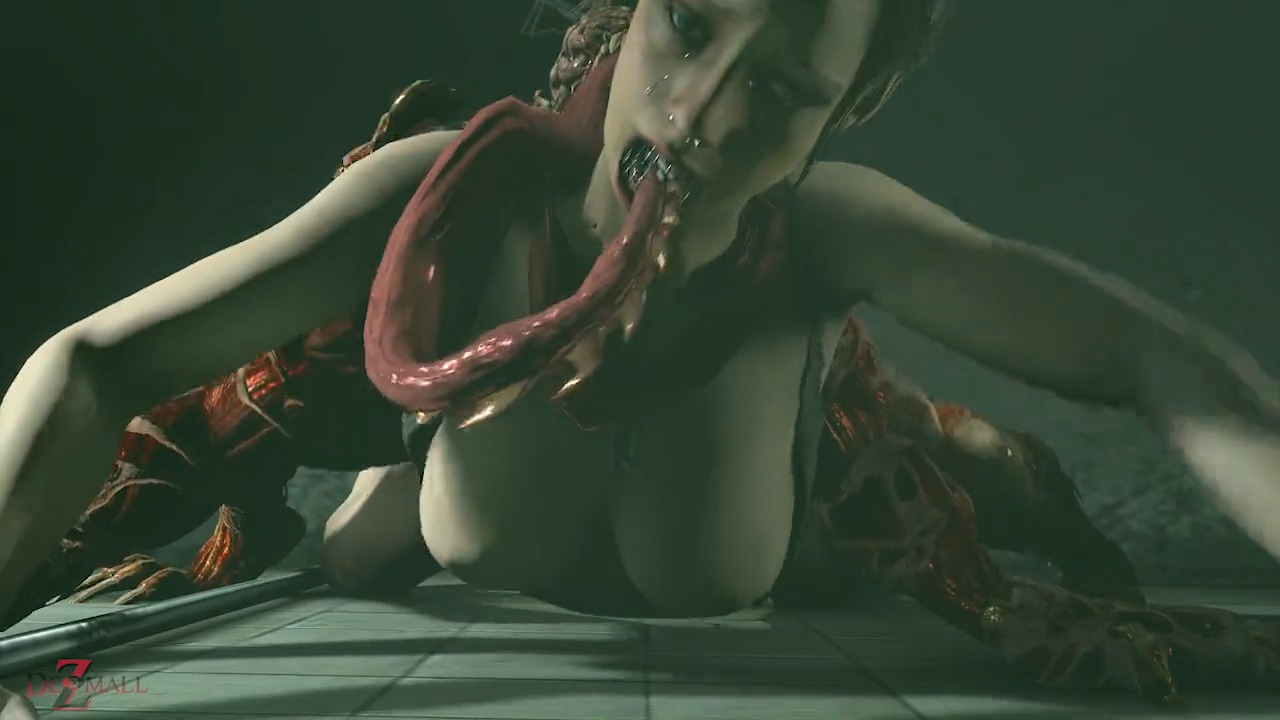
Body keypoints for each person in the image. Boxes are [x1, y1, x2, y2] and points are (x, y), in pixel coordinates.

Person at [2, 2, 1278, 716]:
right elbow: (92, 361)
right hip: (435, 513)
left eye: (782, 89)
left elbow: (1145, 350)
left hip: (790, 533)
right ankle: (395, 487)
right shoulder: (448, 194)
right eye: (688, 25)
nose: (699, 113)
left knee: (968, 482)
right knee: (363, 548)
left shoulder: (830, 231)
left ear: (845, 114)